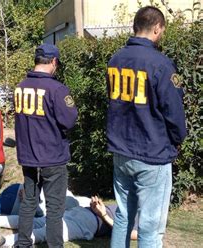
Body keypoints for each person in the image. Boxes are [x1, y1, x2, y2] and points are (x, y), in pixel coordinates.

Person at [106, 6, 186, 248]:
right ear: (157, 28)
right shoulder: (161, 64)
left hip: (121, 150)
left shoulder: (115, 59)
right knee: (151, 226)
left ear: (135, 27)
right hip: (152, 152)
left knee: (123, 216)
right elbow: (174, 111)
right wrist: (178, 138)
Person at [13, 43, 78, 248]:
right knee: (54, 209)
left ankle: (23, 244)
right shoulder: (57, 90)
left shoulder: (20, 87)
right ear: (54, 62)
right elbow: (70, 120)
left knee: (29, 202)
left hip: (29, 157)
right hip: (53, 158)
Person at [0, 196, 138, 248]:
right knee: (38, 223)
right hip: (84, 213)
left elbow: (130, 235)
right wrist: (97, 205)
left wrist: (103, 215)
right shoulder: (129, 202)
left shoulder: (143, 219)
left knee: (43, 229)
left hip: (91, 222)